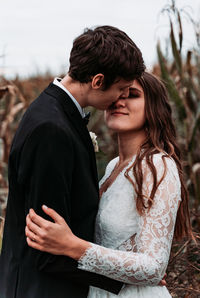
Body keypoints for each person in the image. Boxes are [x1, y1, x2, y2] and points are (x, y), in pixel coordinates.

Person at [0, 26, 146, 298]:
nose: (122, 98)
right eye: (122, 88)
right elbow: (47, 249)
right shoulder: (52, 130)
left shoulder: (54, 111)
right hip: (43, 290)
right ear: (98, 80)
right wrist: (128, 279)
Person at [25, 72, 193, 298]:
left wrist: (72, 246)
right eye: (117, 93)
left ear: (154, 108)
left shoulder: (157, 165)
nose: (119, 101)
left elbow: (153, 267)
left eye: (132, 95)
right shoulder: (114, 166)